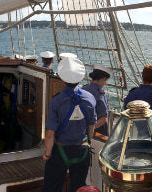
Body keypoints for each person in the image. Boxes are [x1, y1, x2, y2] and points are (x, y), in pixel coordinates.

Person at [43, 56, 97, 192]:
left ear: (62, 78)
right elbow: (91, 125)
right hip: (82, 150)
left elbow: (50, 133)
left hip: (60, 151)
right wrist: (88, 142)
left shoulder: (56, 101)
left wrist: (47, 154)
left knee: (52, 187)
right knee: (78, 187)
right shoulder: (90, 98)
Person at [82, 65, 111, 137]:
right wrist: (90, 130)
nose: (106, 83)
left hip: (82, 128)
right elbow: (103, 118)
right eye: (106, 80)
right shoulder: (100, 94)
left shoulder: (83, 89)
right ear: (103, 79)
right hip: (96, 130)